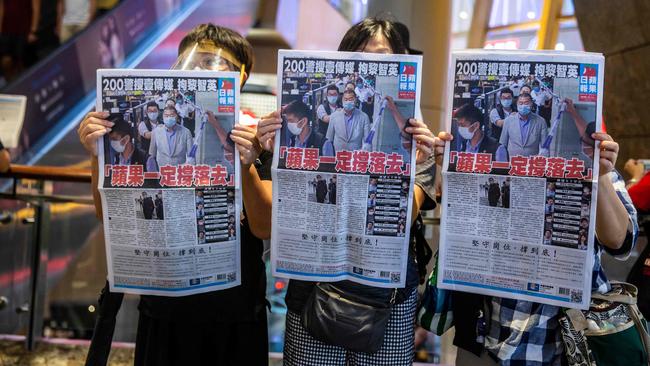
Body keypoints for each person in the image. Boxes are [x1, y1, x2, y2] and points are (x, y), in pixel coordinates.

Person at [78, 23, 273, 366]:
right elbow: (106, 213)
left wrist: (245, 164)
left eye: (216, 64)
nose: (201, 71)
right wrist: (98, 153)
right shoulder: (150, 135)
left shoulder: (258, 140)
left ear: (241, 77)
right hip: (165, 305)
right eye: (192, 61)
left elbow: (263, 226)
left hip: (235, 311)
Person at [256, 18, 438, 366]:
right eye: (358, 58)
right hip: (313, 289)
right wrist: (268, 148)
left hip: (387, 299)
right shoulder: (317, 122)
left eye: (382, 58)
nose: (367, 68)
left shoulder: (418, 140)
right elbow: (273, 215)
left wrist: (416, 157)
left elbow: (404, 216)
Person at [433, 123, 639, 366]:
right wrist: (447, 165)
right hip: (485, 334)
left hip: (564, 341)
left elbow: (619, 241)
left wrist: (600, 174)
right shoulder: (490, 162)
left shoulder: (595, 171)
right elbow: (459, 220)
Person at [499, 92, 548, 158]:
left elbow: (545, 147)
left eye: (526, 103)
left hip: (532, 162)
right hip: (512, 161)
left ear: (531, 104)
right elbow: (502, 144)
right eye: (520, 103)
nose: (523, 106)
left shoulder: (540, 121)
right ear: (517, 104)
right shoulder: (508, 121)